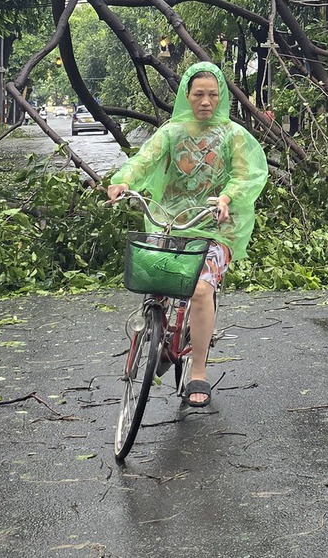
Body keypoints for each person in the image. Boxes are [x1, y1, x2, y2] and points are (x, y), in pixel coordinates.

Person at [105, 61, 267, 409]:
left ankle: (199, 371)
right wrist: (124, 181)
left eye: (212, 95)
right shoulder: (171, 132)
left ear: (221, 97)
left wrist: (226, 198)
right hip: (171, 220)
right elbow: (143, 160)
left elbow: (247, 175)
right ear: (187, 96)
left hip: (215, 226)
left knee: (200, 288)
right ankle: (160, 336)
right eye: (198, 94)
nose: (205, 101)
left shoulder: (233, 136)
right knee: (155, 276)